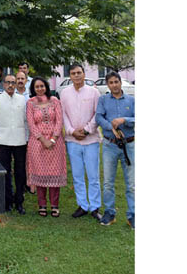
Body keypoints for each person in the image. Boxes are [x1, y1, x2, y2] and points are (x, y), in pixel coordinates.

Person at [60, 63, 102, 221]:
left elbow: (97, 114)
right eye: (73, 73)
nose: (76, 75)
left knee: (93, 175)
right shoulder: (65, 93)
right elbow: (63, 115)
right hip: (73, 140)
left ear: (84, 74)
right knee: (77, 175)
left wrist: (86, 130)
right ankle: (83, 205)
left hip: (90, 139)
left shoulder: (94, 92)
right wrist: (72, 131)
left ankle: (95, 206)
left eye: (79, 72)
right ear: (70, 76)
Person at [95, 71, 135, 229]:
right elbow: (99, 117)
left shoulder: (131, 100)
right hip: (109, 145)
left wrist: (124, 120)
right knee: (108, 182)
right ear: (108, 85)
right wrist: (111, 127)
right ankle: (109, 213)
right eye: (111, 82)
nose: (114, 85)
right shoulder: (103, 100)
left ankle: (132, 215)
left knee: (131, 183)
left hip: (129, 145)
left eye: (116, 82)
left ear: (120, 82)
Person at [26, 77, 66, 217]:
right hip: (37, 143)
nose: (40, 89)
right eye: (37, 87)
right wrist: (43, 140)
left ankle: (55, 205)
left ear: (46, 87)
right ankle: (42, 205)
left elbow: (59, 121)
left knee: (55, 172)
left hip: (55, 143)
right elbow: (31, 124)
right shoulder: (30, 103)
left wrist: (53, 139)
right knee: (40, 172)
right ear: (33, 89)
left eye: (42, 86)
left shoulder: (54, 101)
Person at [0, 73, 28, 214]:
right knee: (6, 171)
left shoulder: (22, 99)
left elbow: (26, 121)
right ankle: (7, 201)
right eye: (8, 82)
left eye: (13, 82)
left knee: (20, 172)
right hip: (3, 140)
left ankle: (19, 201)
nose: (11, 85)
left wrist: (27, 138)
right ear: (4, 84)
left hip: (20, 140)